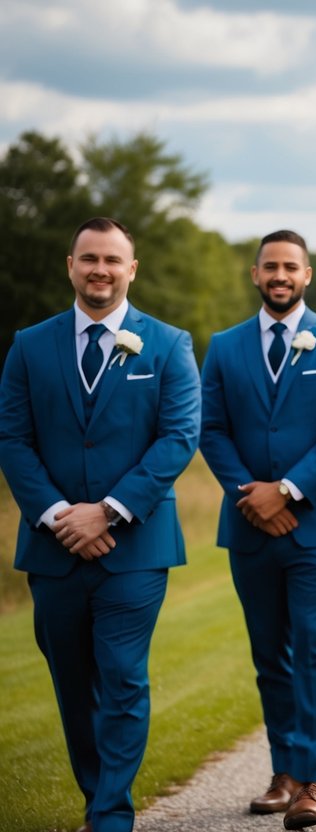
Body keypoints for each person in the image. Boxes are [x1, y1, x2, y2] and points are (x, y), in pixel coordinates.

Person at [0, 217, 201, 832]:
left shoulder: (168, 345)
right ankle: (97, 795)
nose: (100, 270)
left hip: (134, 548)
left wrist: (109, 510)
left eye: (113, 260)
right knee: (71, 681)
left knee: (121, 675)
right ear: (71, 265)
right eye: (89, 258)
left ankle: (111, 813)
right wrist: (60, 515)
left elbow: (179, 437)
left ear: (131, 270)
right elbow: (12, 435)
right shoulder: (30, 345)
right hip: (53, 546)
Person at [198, 230, 316, 830]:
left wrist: (289, 491)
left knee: (313, 648)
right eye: (269, 266)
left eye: (289, 267)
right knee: (269, 654)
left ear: (307, 274)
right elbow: (210, 428)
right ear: (255, 274)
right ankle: (282, 772)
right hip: (248, 524)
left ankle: (311, 781)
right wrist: (252, 495)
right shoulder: (223, 347)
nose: (279, 275)